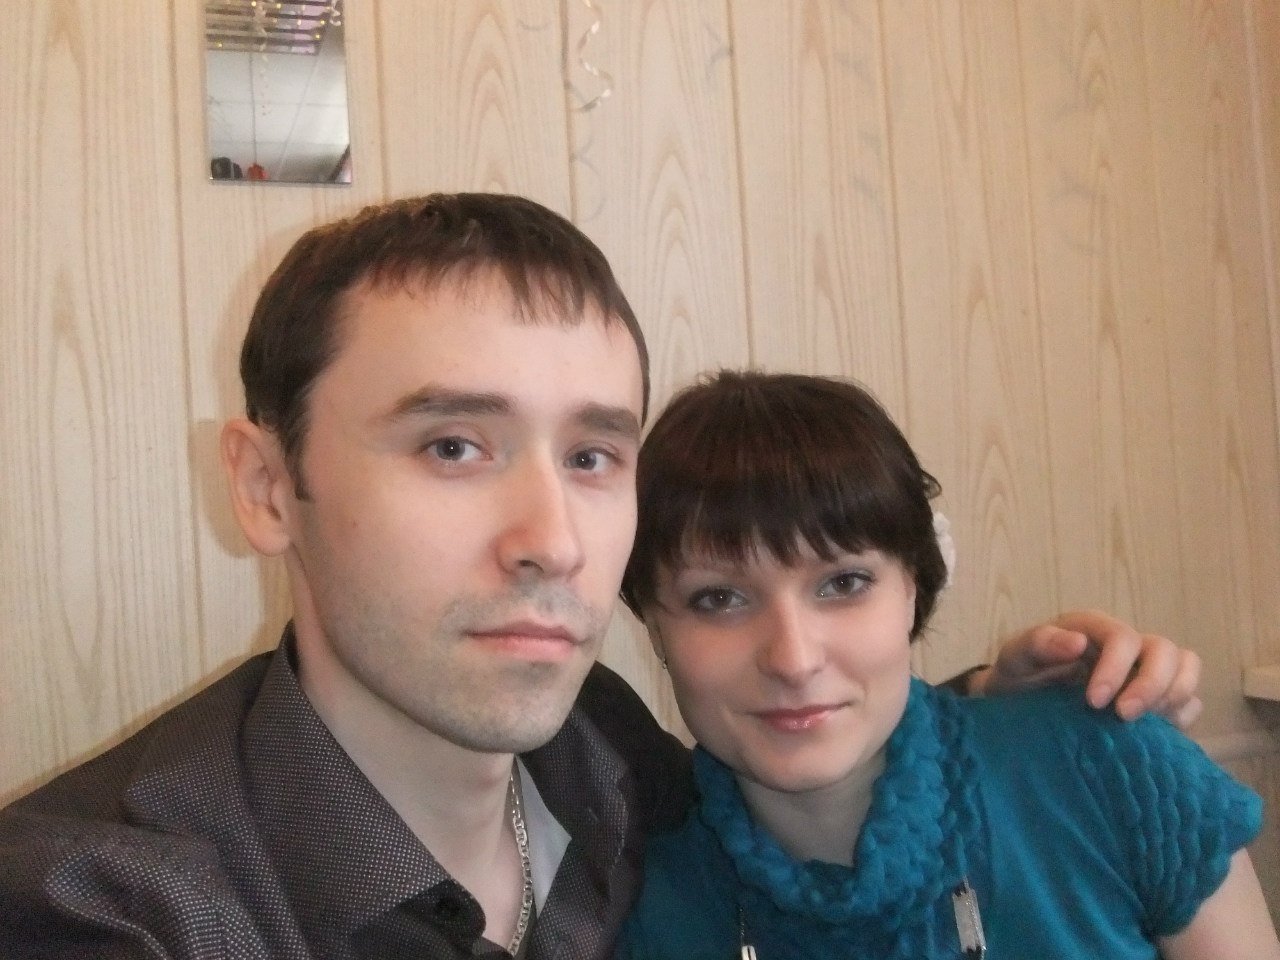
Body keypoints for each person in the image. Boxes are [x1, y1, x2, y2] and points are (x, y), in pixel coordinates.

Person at [0, 195, 1204, 960]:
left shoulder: (608, 758)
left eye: (590, 457)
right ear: (268, 488)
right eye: (452, 447)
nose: (554, 541)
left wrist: (997, 709)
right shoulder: (102, 906)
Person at [615, 370, 1277, 960]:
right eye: (720, 599)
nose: (793, 658)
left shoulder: (1109, 768)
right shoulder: (639, 903)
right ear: (654, 624)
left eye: (843, 583)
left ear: (915, 586)